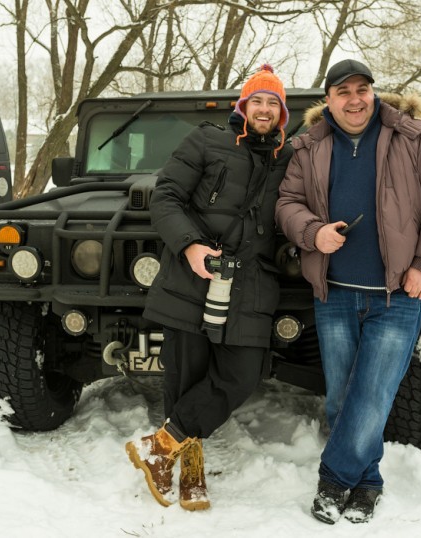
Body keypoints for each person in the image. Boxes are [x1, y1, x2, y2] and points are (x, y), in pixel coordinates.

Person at [275, 59, 421, 524]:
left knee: (375, 392)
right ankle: (369, 482)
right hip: (334, 293)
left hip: (396, 294)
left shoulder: (414, 136)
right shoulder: (309, 146)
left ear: (373, 92)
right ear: (329, 99)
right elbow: (287, 203)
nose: (355, 99)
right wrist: (313, 233)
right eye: (344, 92)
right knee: (344, 397)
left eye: (362, 89)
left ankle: (334, 479)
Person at [126, 64, 292, 510]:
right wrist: (191, 246)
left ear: (282, 113)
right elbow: (166, 197)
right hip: (193, 276)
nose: (263, 109)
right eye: (256, 100)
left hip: (251, 284)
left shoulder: (289, 158)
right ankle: (188, 476)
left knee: (243, 373)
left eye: (272, 102)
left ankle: (157, 447)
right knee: (186, 379)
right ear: (242, 106)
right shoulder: (205, 140)